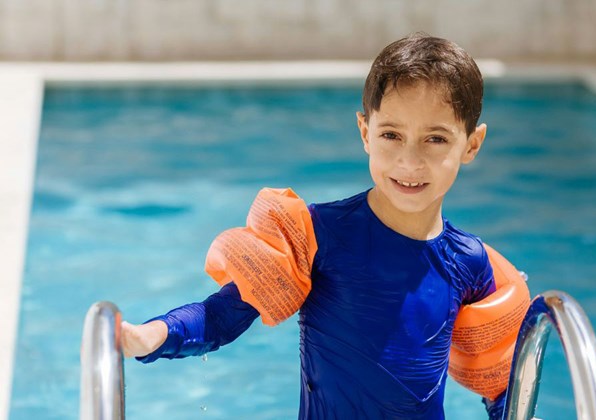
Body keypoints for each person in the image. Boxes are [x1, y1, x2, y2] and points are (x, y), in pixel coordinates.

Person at [121, 33, 529, 419]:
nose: (410, 161)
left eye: (435, 139)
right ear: (365, 132)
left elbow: (495, 377)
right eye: (391, 134)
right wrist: (156, 335)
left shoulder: (469, 261)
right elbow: (226, 313)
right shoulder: (318, 234)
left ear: (472, 145)